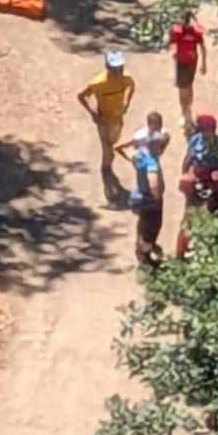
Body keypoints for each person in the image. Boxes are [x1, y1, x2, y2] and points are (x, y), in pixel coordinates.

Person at [76, 50, 136, 201]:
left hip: (117, 119)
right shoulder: (98, 83)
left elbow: (132, 87)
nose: (118, 71)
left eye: (120, 68)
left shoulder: (126, 78)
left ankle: (108, 159)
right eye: (115, 68)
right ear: (107, 67)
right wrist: (92, 113)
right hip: (103, 120)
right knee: (107, 148)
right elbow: (81, 96)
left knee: (113, 141)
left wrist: (127, 103)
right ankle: (106, 169)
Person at [175, 113, 218, 260]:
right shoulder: (202, 141)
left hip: (212, 187)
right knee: (189, 220)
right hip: (200, 186)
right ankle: (181, 254)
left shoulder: (216, 143)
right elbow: (187, 161)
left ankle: (204, 252)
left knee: (209, 218)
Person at [123, 125, 170, 270]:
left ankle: (140, 248)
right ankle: (145, 258)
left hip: (141, 195)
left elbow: (129, 155)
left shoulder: (139, 155)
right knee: (152, 227)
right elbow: (153, 181)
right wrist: (156, 196)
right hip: (151, 200)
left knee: (143, 223)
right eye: (160, 146)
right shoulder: (152, 163)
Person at [169, 11, 206, 126]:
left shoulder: (196, 31)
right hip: (181, 63)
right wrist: (174, 52)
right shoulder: (177, 31)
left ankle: (187, 109)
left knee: (188, 87)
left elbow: (202, 47)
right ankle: (184, 112)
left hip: (191, 63)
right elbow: (171, 43)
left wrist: (204, 64)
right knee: (182, 88)